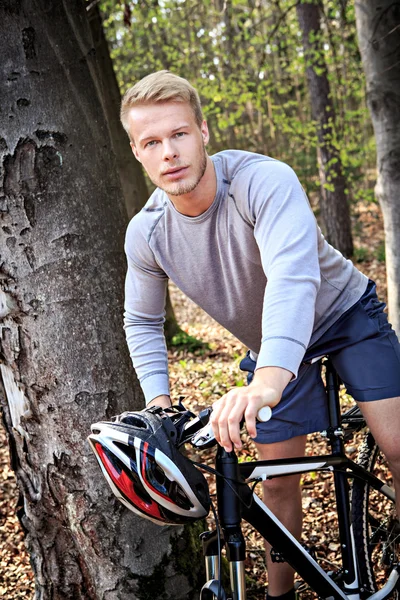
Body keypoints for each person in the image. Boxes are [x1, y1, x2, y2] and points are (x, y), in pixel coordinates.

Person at [120, 70, 400, 600]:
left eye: (179, 134)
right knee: (275, 483)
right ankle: (279, 596)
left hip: (343, 315)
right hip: (272, 340)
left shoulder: (262, 180)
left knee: (398, 445)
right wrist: (160, 407)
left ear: (203, 131)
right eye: (152, 142)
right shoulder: (147, 233)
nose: (169, 152)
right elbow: (142, 321)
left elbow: (294, 278)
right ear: (137, 151)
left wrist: (267, 382)